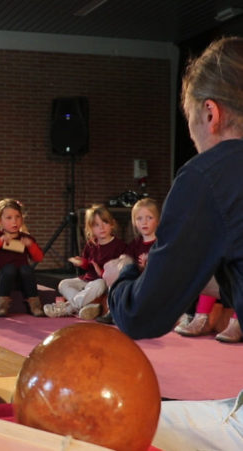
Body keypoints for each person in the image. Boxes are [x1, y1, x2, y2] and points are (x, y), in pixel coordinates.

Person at [103, 37, 243, 449]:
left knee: (107, 424)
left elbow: (143, 315)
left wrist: (121, 278)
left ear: (210, 113)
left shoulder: (210, 174)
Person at [46, 204, 126, 320]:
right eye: (96, 225)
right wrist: (82, 263)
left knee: (99, 283)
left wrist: (101, 271)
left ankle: (67, 308)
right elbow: (87, 265)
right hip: (87, 280)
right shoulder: (91, 244)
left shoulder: (119, 246)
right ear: (91, 228)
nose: (101, 228)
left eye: (105, 223)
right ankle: (87, 306)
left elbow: (120, 270)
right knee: (64, 284)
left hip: (102, 282)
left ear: (112, 224)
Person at [97, 197, 160, 324]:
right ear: (134, 222)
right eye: (139, 218)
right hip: (134, 281)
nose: (144, 222)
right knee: (119, 269)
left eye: (149, 218)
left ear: (158, 220)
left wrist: (149, 263)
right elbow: (126, 260)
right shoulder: (135, 243)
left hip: (152, 283)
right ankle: (113, 310)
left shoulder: (160, 243)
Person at [0, 199, 44, 317]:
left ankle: (35, 305)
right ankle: (2, 305)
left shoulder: (25, 238)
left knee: (26, 269)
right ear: (0, 221)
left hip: (20, 281)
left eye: (17, 217)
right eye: (9, 218)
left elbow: (38, 258)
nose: (14, 221)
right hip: (1, 280)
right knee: (9, 269)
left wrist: (30, 245)